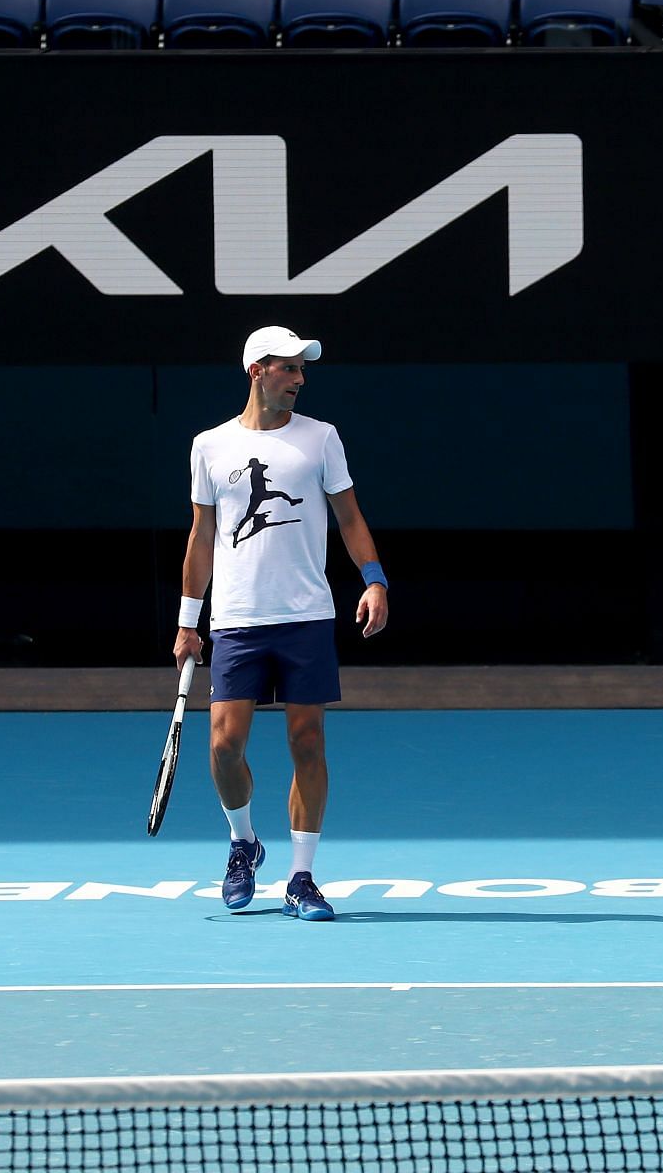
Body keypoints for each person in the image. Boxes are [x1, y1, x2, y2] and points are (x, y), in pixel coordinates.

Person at [174, 326, 389, 923]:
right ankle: (244, 842)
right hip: (237, 619)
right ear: (257, 371)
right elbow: (201, 536)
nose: (299, 379)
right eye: (288, 369)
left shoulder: (321, 439)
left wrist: (374, 579)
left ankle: (301, 877)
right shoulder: (209, 446)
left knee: (307, 742)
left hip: (305, 617)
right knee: (223, 746)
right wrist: (189, 621)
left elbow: (349, 517)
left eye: (300, 370)